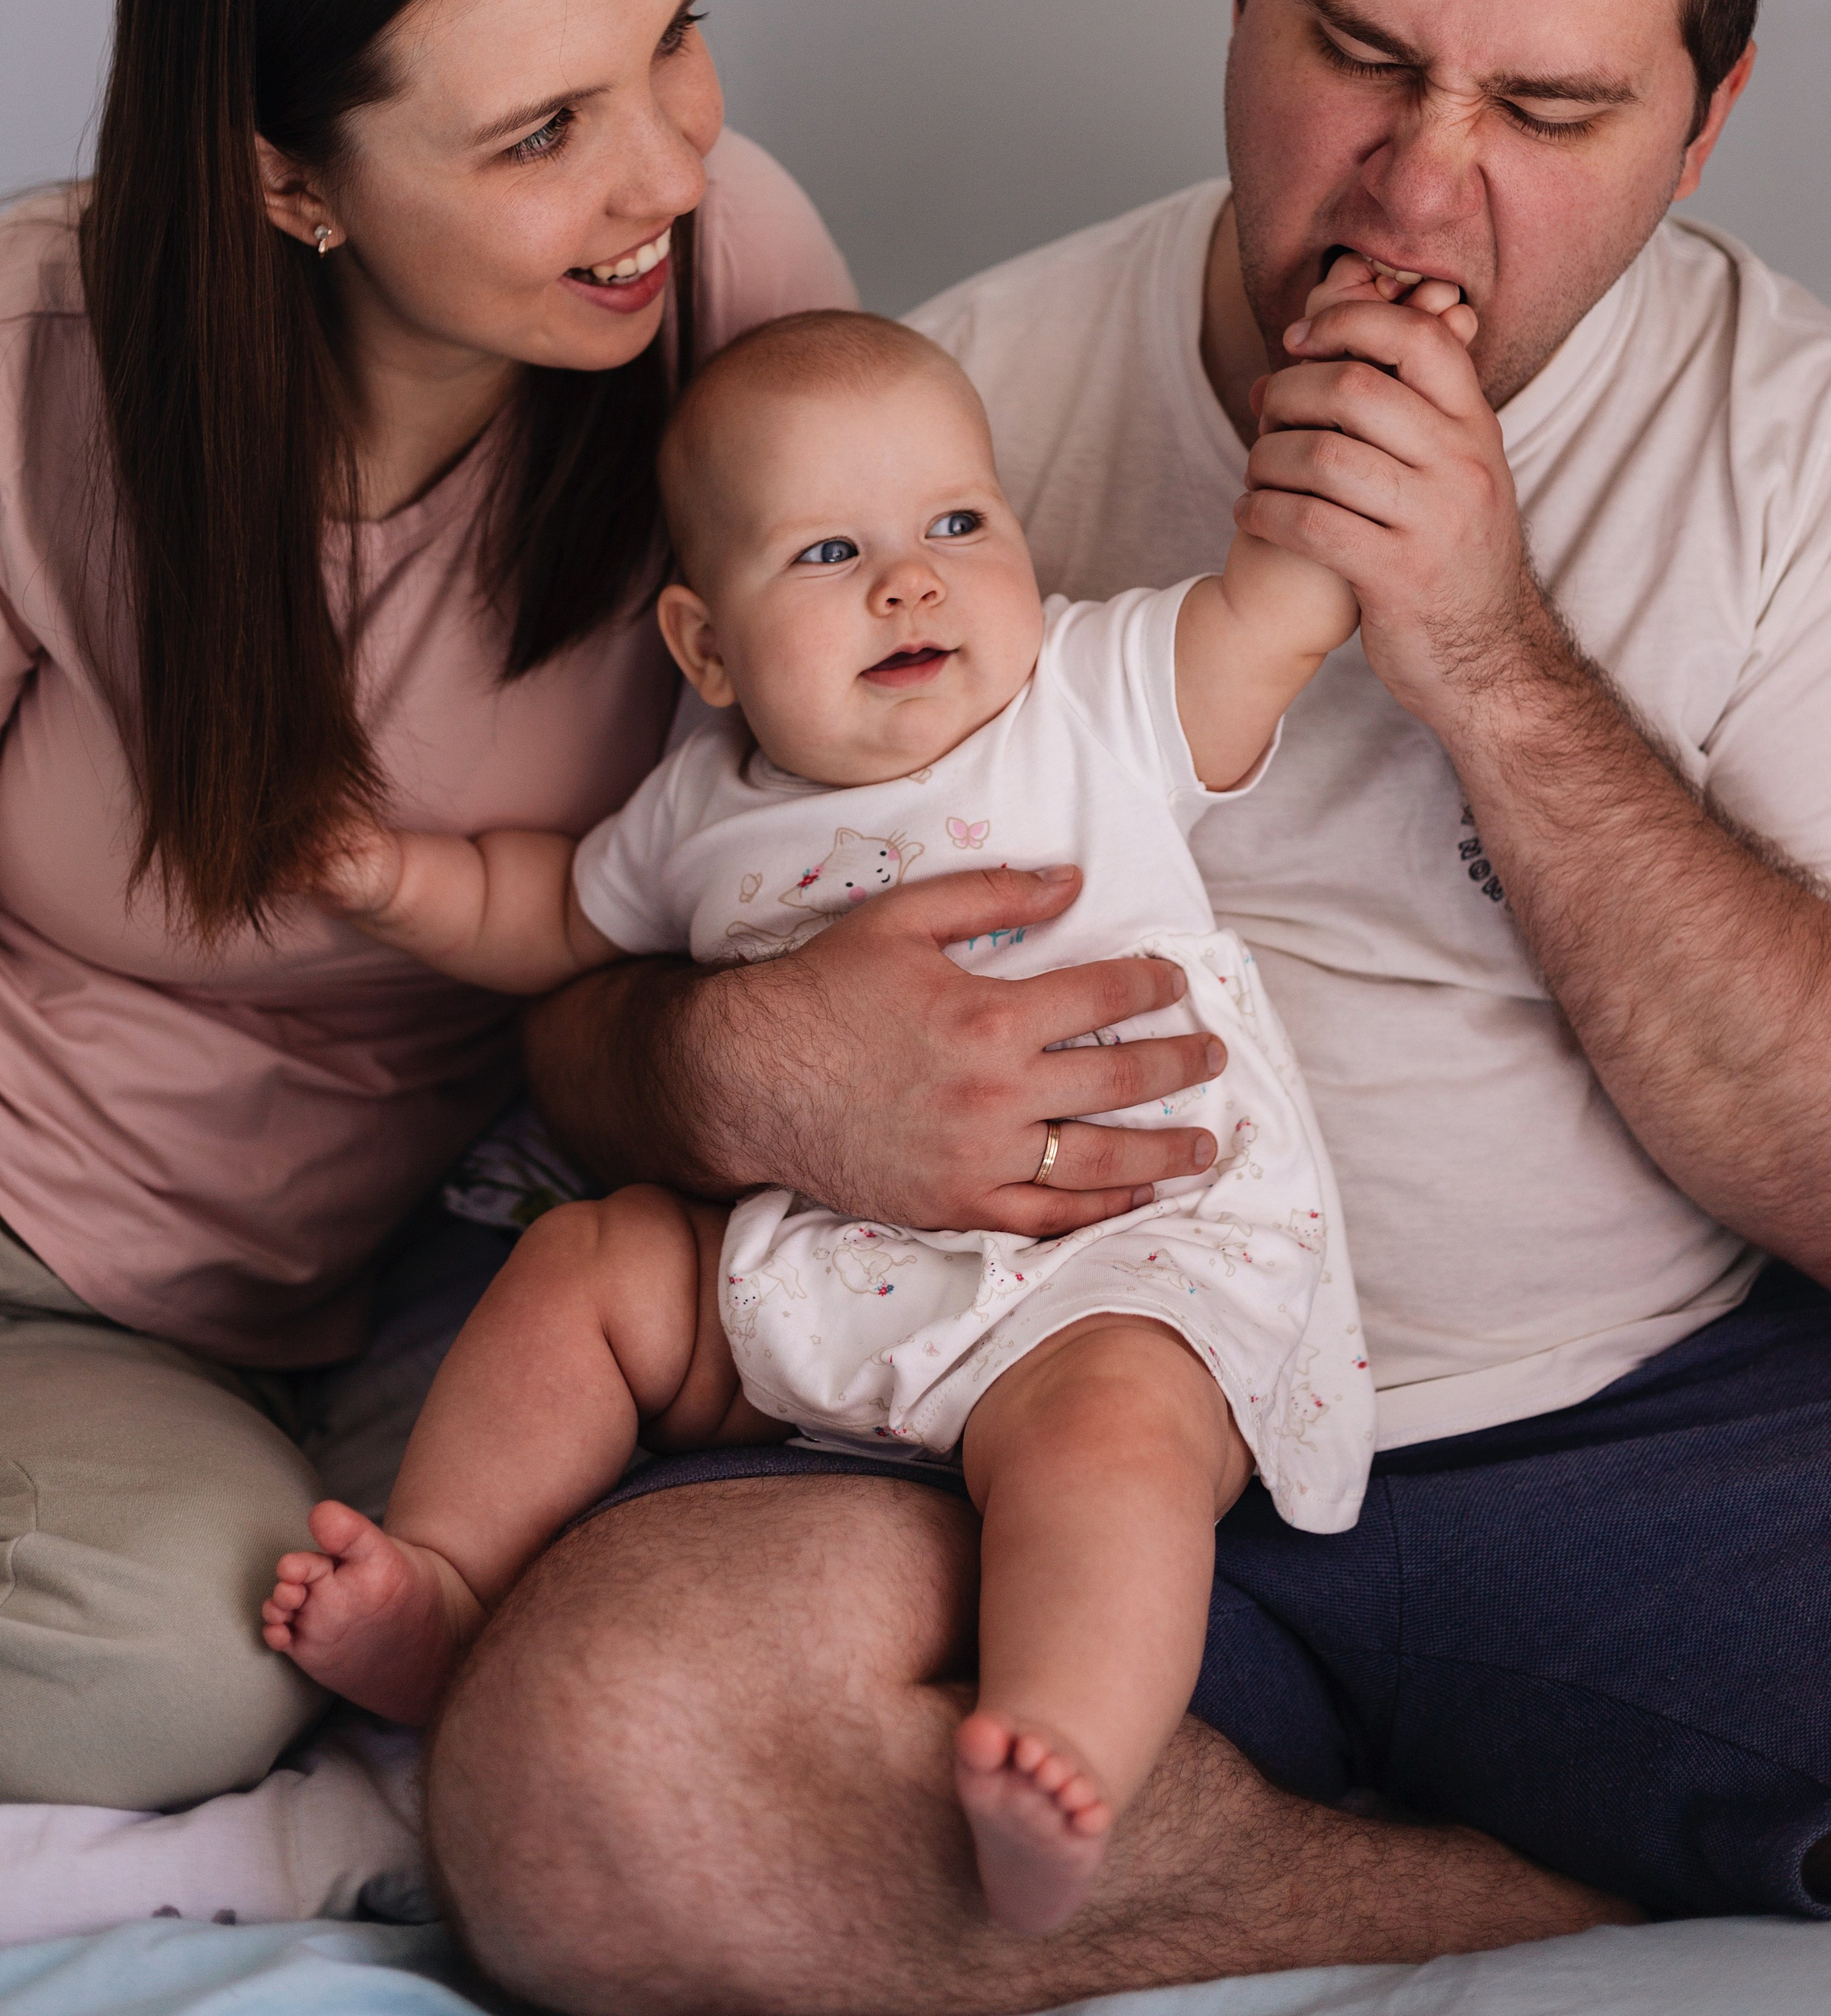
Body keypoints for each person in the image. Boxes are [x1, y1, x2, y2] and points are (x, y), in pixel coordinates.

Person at [425, 0, 1831, 2015]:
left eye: (1554, 112)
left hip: (1624, 1431)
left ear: (1701, 123)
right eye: (1357, 55)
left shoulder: (1781, 450)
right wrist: (735, 1068)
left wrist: (1485, 658)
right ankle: (1517, 1901)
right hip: (1010, 1399)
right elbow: (575, 1010)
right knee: (591, 1777)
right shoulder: (923, 426)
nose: (1420, 184)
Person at [262, 290, 1473, 1929]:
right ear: (704, 647)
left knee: (1112, 1450)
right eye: (825, 555)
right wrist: (395, 881)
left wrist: (1344, 415)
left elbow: (1275, 613)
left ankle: (1063, 1755)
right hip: (821, 1255)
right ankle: (445, 1584)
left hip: (1113, 1255)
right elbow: (547, 914)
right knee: (586, 1267)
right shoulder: (699, 801)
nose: (909, 579)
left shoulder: (1090, 701)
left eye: (956, 524)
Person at [0, 0, 865, 1809]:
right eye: (537, 132)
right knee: (181, 1667)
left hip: (455, 1266)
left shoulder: (727, 274)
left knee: (648, 1680)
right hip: (53, 1263)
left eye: (672, 33)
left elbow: (869, 791)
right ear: (291, 180)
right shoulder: (34, 384)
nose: (664, 168)